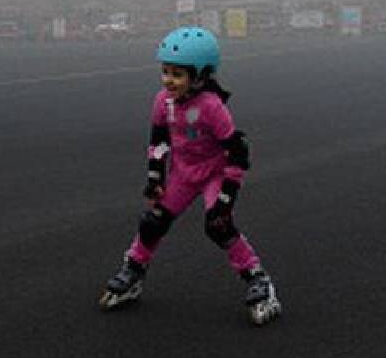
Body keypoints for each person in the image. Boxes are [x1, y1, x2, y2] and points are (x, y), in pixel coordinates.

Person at [99, 26, 282, 326]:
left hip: (215, 173)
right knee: (153, 221)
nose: (168, 80)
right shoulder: (162, 102)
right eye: (165, 71)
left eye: (177, 74)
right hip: (184, 173)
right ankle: (133, 270)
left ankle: (258, 280)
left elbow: (237, 152)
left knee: (218, 226)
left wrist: (225, 200)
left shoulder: (212, 107)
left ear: (200, 77)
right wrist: (156, 179)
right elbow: (158, 143)